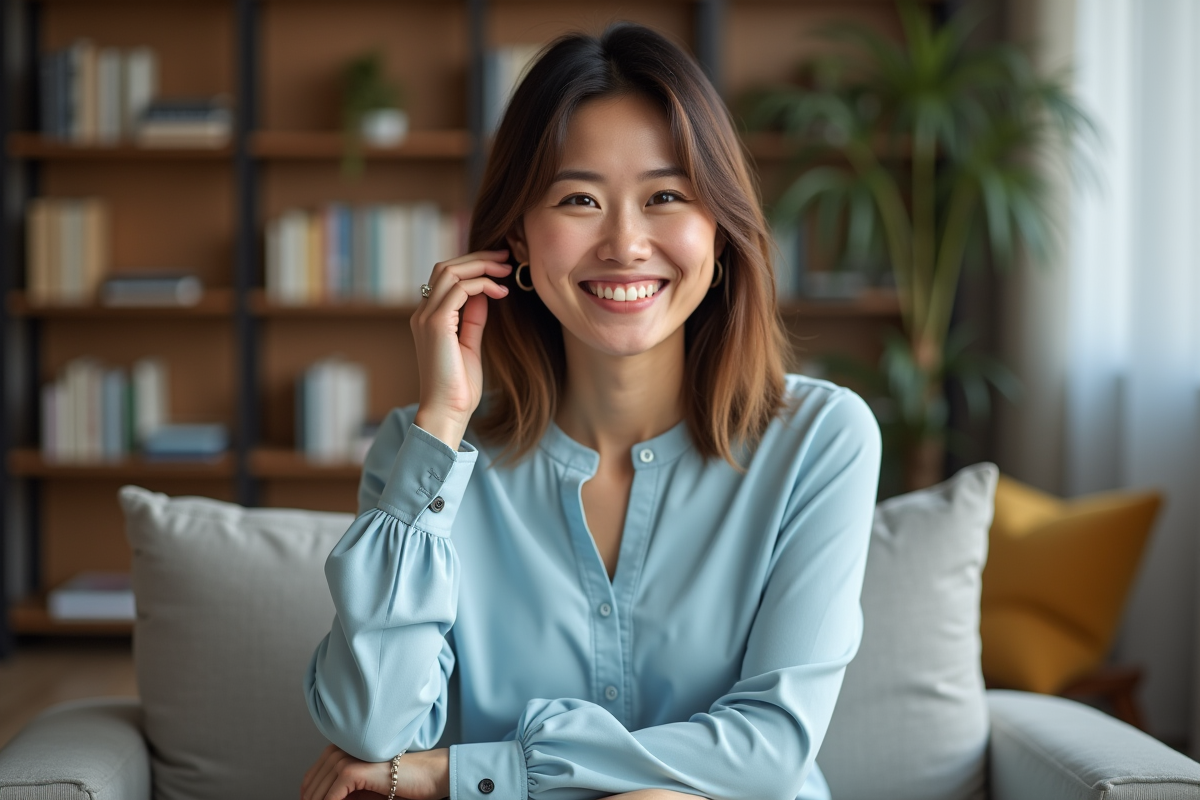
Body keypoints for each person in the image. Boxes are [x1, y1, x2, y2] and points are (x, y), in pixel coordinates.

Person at [300, 22, 880, 800]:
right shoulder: (422, 451)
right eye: (578, 199)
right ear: (517, 243)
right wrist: (444, 417)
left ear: (721, 232)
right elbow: (372, 731)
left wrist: (468, 774)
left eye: (665, 196)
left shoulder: (821, 439)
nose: (625, 243)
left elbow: (769, 749)